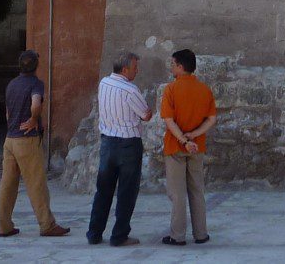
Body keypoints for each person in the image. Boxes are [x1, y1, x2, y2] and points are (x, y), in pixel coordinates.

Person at [0, 49, 69, 238]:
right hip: (26, 139)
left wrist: (13, 125)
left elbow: (7, 112)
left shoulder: (11, 84)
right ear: (36, 65)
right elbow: (36, 103)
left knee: (7, 185)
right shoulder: (36, 84)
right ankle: (47, 224)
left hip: (10, 139)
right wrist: (33, 118)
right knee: (36, 183)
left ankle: (4, 226)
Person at [87, 51, 151, 246]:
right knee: (126, 192)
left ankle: (94, 233)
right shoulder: (130, 90)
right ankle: (119, 235)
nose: (137, 71)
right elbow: (145, 115)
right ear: (125, 69)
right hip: (128, 144)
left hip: (107, 142)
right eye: (134, 67)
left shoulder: (104, 83)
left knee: (103, 190)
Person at [159, 48, 216, 246]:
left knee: (177, 194)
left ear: (181, 67)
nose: (171, 67)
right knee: (197, 191)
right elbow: (211, 119)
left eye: (173, 64)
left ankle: (178, 235)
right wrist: (194, 136)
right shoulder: (204, 89)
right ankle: (201, 233)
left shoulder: (171, 89)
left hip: (176, 147)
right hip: (197, 147)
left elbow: (169, 120)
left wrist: (183, 140)